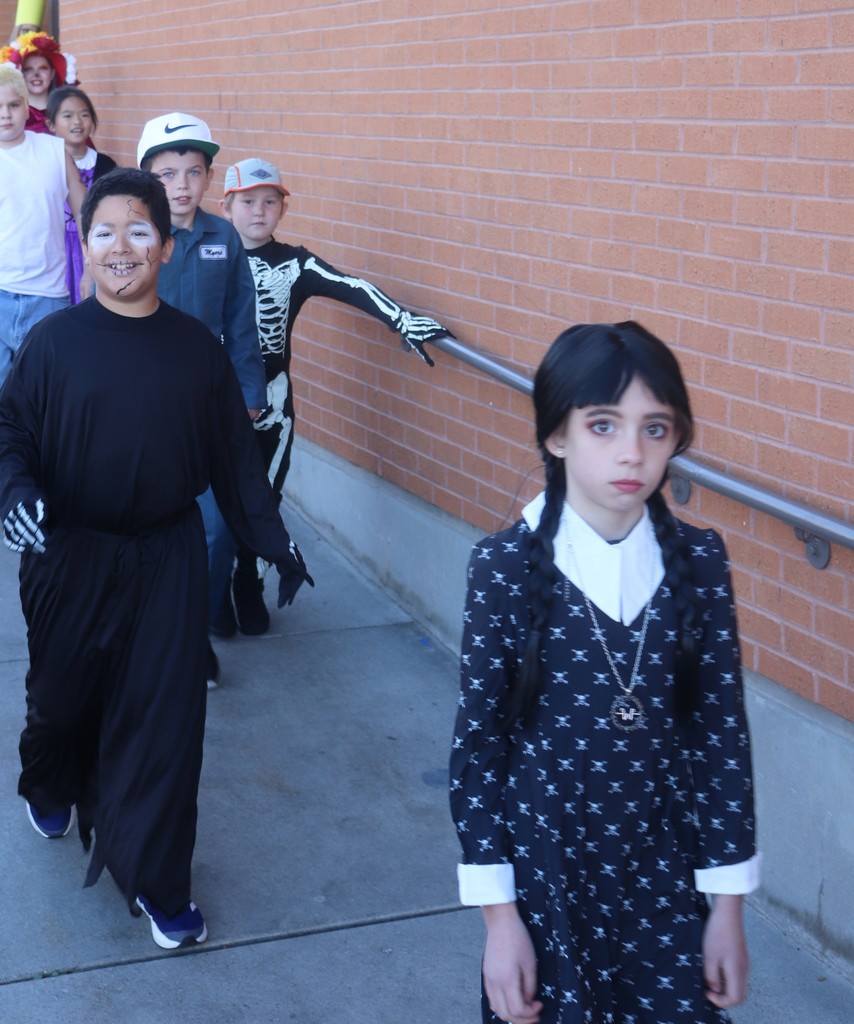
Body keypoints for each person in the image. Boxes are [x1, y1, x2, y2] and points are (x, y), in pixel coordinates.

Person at [0, 168, 312, 950]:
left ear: (167, 248)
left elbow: (236, 462)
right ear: (85, 245)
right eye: (105, 231)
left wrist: (275, 543)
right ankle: (49, 778)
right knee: (60, 703)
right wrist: (14, 496)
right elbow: (10, 436)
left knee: (166, 723)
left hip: (167, 559)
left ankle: (158, 880)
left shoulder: (197, 353)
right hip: (68, 557)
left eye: (140, 231)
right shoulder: (50, 345)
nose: (121, 247)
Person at [449, 321, 760, 1024]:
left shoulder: (701, 563)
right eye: (603, 425)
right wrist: (500, 925)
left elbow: (721, 743)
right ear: (557, 436)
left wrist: (728, 907)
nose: (632, 452)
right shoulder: (502, 567)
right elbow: (478, 754)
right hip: (545, 880)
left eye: (656, 428)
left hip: (664, 872)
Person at [213, 156, 454, 637]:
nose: (259, 212)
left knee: (265, 498)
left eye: (269, 202)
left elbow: (352, 286)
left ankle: (248, 582)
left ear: (282, 208)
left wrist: (401, 320)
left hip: (275, 404)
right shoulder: (208, 254)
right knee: (217, 503)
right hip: (217, 403)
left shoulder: (295, 262)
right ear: (227, 207)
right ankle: (217, 591)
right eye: (247, 202)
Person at [137, 113, 267, 686]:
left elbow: (242, 324)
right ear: (147, 180)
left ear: (210, 177)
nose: (182, 185)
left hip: (211, 404)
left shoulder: (224, 239)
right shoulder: (135, 237)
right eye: (167, 174)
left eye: (193, 172)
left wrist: (249, 396)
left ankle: (198, 623)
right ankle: (158, 630)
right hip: (143, 405)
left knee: (216, 528)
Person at [0, 64, 88, 387]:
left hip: (48, 296)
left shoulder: (53, 150)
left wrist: (90, 266)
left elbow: (85, 211)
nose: (5, 114)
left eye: (12, 105)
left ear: (27, 106)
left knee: (45, 394)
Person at [46, 85, 117, 304]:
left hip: (92, 246)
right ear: (51, 124)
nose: (77, 122)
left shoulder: (105, 165)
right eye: (67, 116)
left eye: (84, 114)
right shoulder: (45, 165)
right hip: (53, 248)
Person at [0, 29, 77, 132]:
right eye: (28, 69)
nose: (36, 74)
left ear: (52, 73)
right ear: (20, 74)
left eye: (43, 68)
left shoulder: (66, 110)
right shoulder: (11, 115)